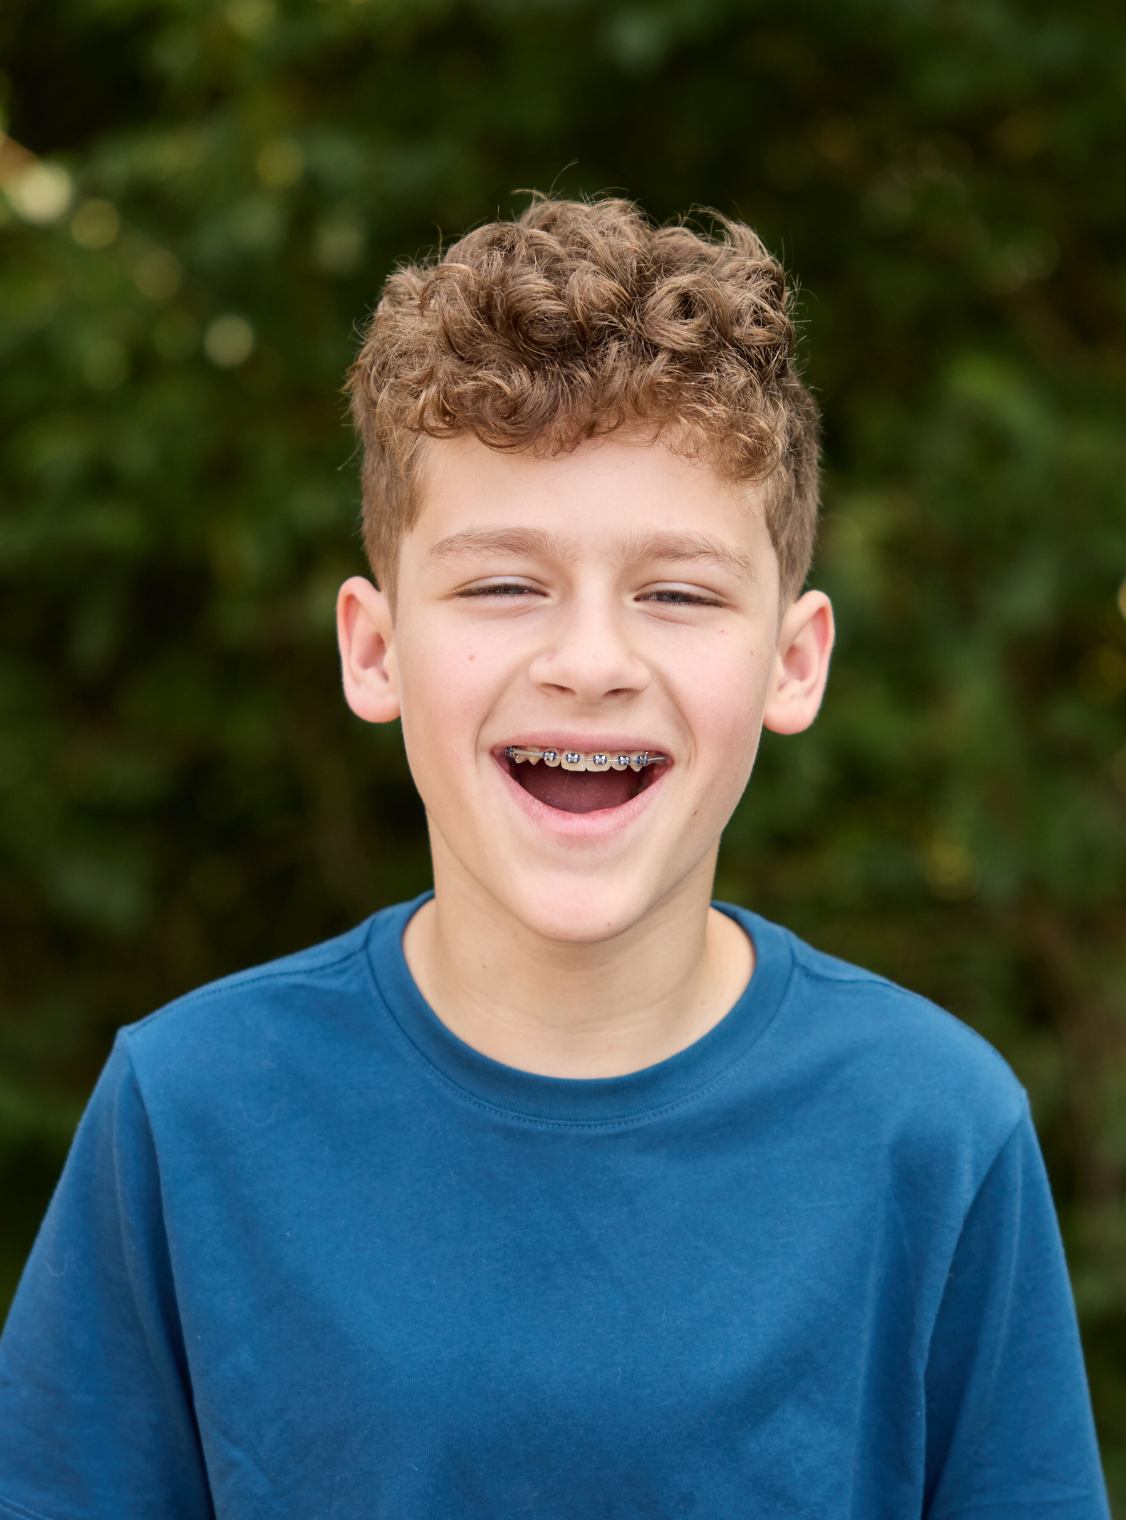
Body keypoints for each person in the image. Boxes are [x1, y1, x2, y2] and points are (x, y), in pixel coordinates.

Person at [0, 197, 1109, 1519]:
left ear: (793, 660)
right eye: (501, 584)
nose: (588, 662)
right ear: (373, 646)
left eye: (677, 593)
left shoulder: (933, 1127)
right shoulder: (188, 1110)